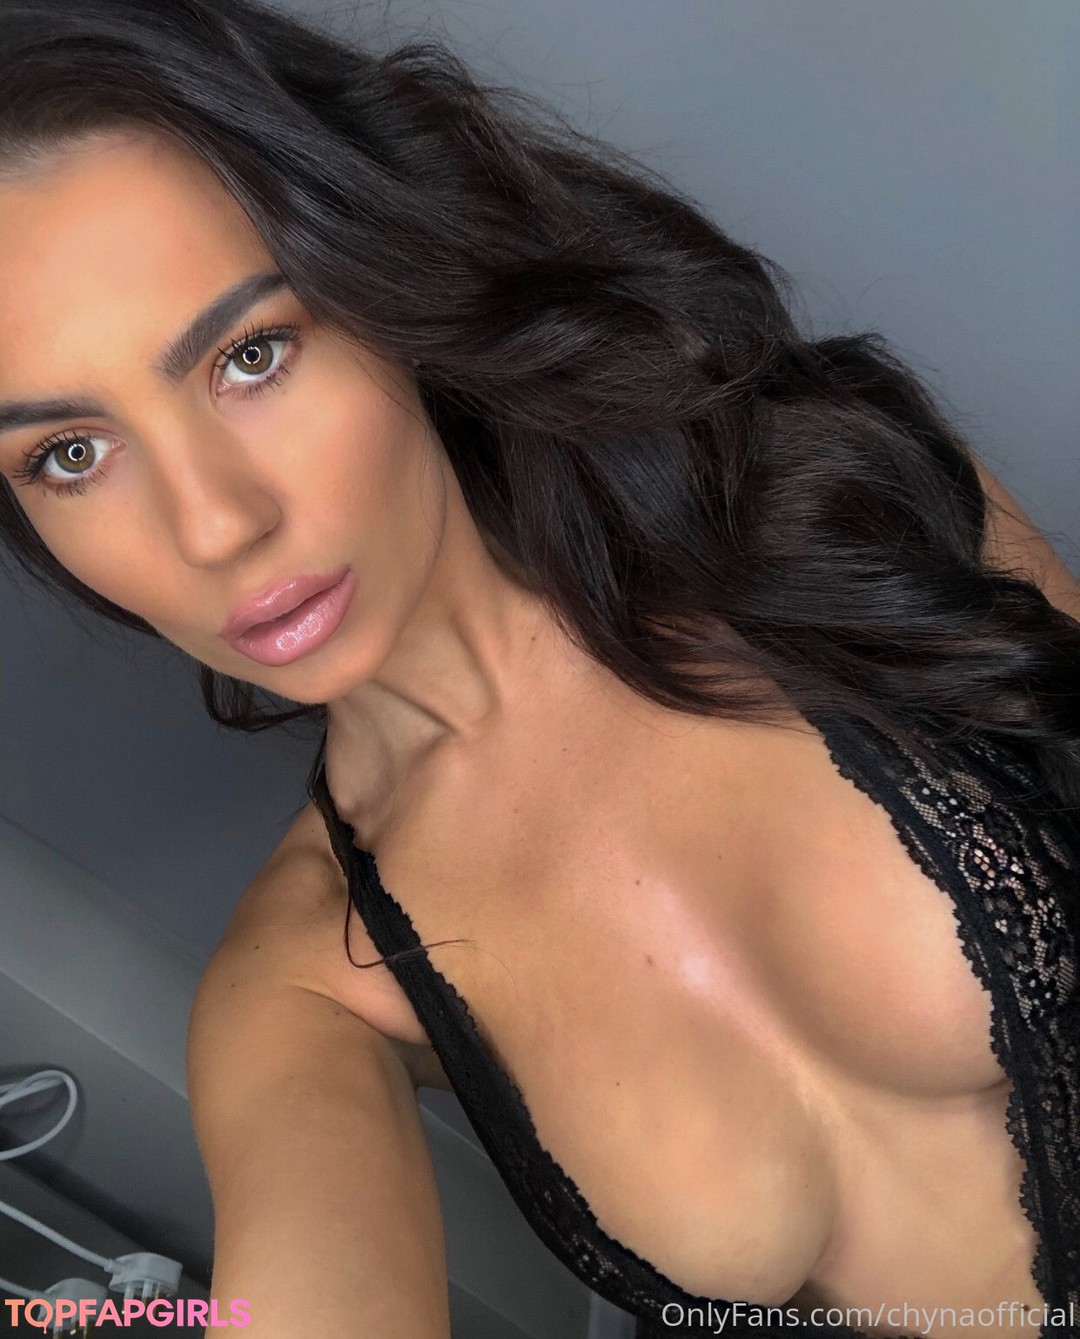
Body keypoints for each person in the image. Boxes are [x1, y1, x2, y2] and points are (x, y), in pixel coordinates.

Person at [0, 2, 1077, 1336]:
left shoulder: (812, 496)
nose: (215, 524)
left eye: (252, 355)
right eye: (71, 455)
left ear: (384, 285)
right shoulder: (310, 978)